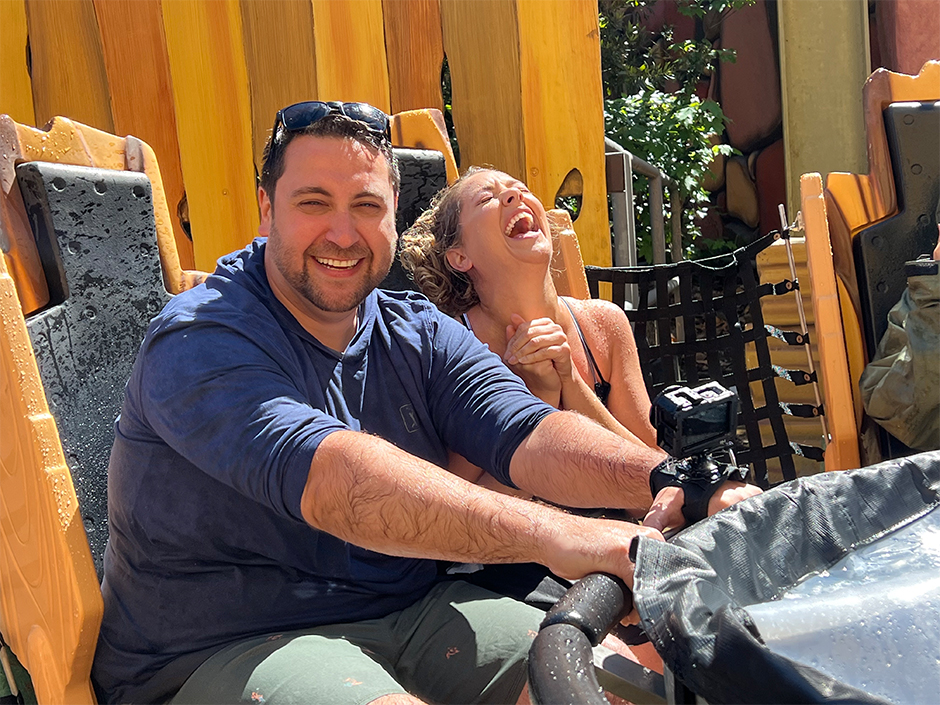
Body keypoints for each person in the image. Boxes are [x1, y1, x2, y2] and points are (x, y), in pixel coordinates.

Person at [92, 102, 748, 705]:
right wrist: (566, 535)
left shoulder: (416, 329)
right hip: (216, 646)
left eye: (367, 205)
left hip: (408, 610)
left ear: (395, 214)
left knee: (617, 685)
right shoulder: (204, 336)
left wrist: (680, 483)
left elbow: (530, 433)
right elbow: (338, 483)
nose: (343, 234)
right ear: (267, 210)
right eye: (314, 202)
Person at [400, 167, 759, 508]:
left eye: (521, 188)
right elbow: (458, 510)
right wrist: (539, 398)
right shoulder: (451, 346)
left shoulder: (603, 325)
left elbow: (656, 477)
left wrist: (571, 383)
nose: (514, 194)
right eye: (486, 199)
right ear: (460, 256)